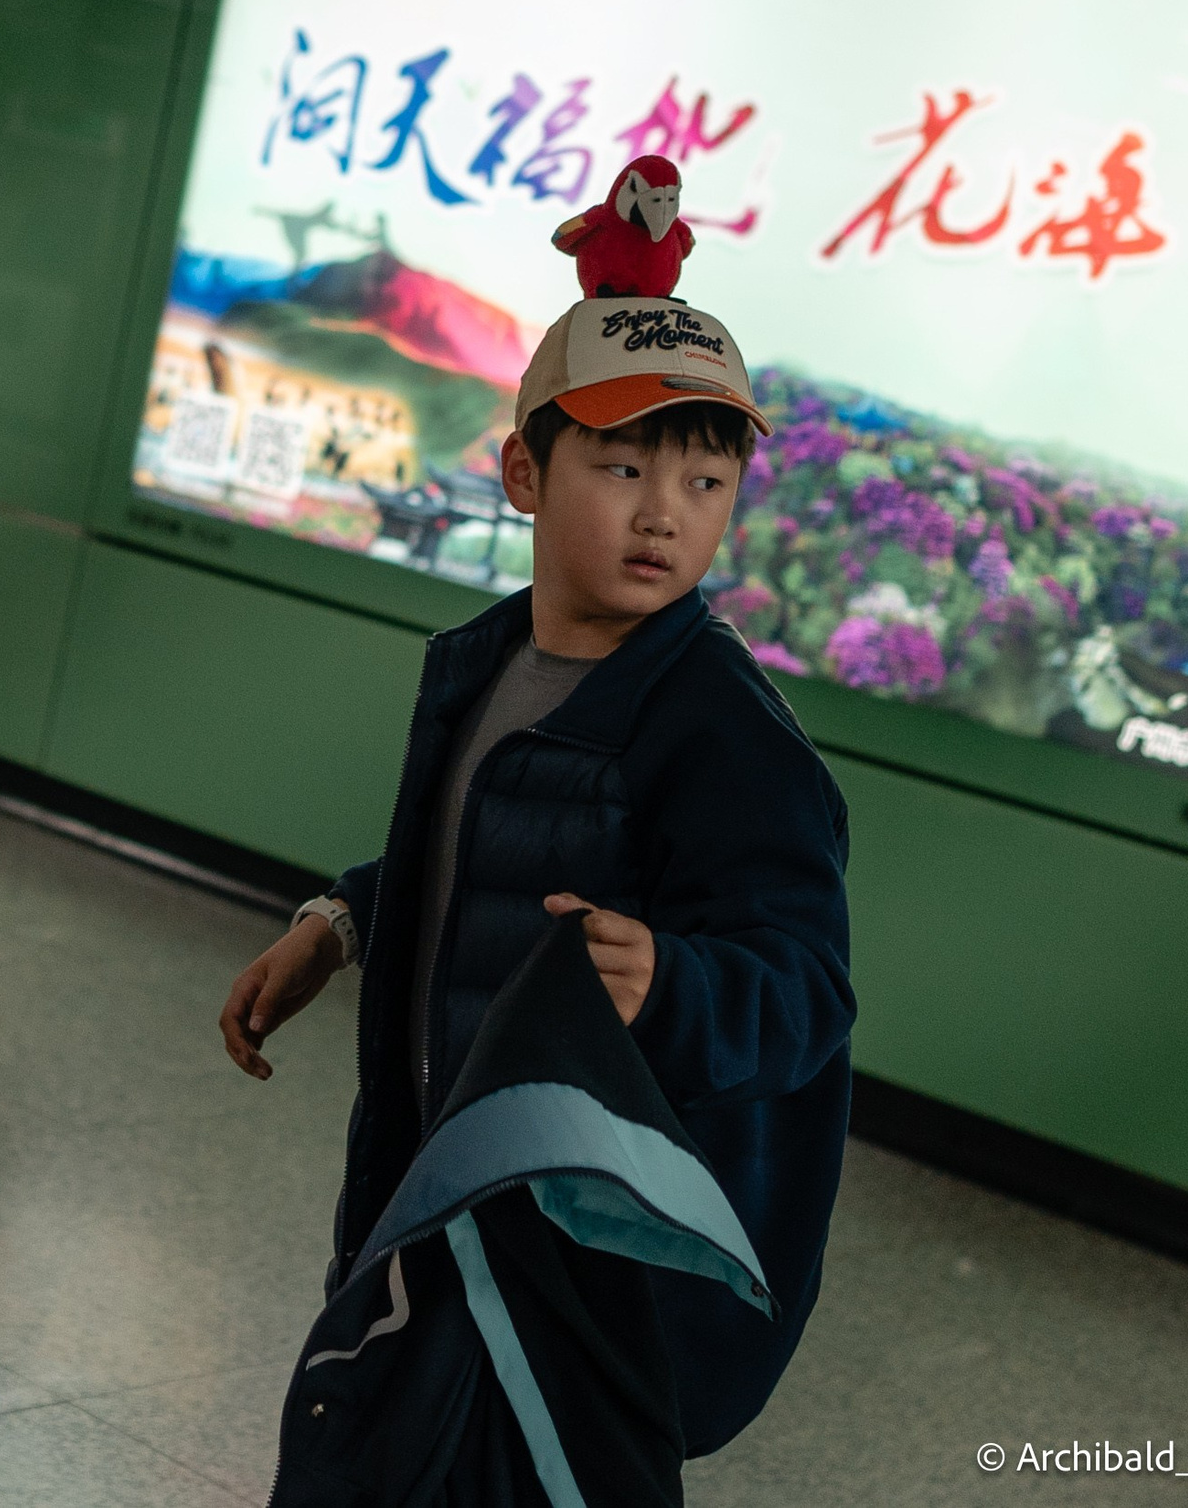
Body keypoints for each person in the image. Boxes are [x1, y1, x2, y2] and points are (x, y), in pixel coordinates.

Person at [219, 296, 854, 1504]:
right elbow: (476, 858)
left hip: (585, 1280)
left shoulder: (725, 738)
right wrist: (343, 924)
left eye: (707, 484)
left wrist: (676, 982)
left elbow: (805, 993)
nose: (665, 513)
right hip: (439, 1207)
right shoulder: (496, 663)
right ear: (524, 469)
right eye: (621, 466)